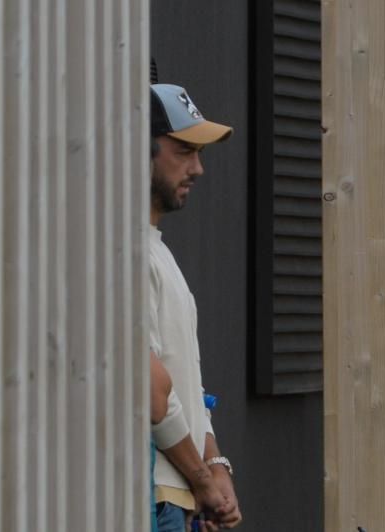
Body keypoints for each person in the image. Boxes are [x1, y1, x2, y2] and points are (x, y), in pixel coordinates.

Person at [149, 83, 242, 531]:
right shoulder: (121, 254)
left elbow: (187, 377)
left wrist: (216, 466)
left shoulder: (158, 251)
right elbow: (151, 390)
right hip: (153, 495)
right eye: (184, 150)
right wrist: (202, 479)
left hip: (177, 495)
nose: (198, 168)